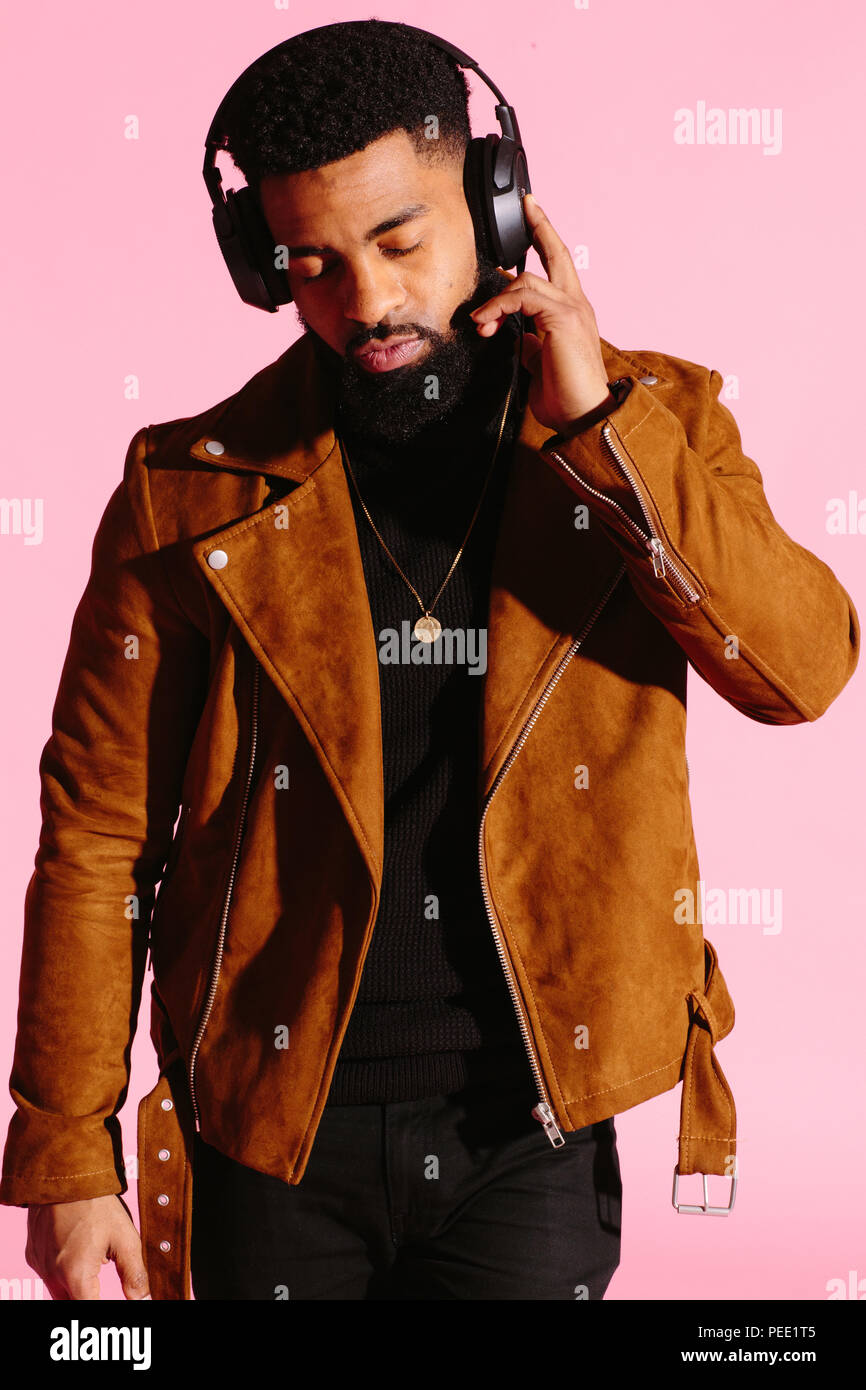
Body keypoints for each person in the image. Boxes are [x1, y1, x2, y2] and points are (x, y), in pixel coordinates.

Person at [3, 19, 859, 1301]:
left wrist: (599, 432)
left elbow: (797, 672)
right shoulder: (186, 492)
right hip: (271, 1128)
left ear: (499, 207)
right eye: (311, 263)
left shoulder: (653, 426)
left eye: (400, 241)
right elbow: (97, 836)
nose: (368, 302)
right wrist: (67, 1152)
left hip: (532, 1123)